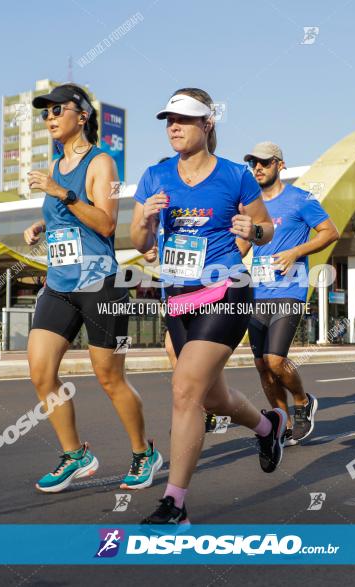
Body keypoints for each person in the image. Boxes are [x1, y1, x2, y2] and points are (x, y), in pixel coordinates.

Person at [130, 87, 285, 525]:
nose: (173, 127)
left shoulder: (236, 175)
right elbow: (139, 244)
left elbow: (266, 228)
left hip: (226, 291)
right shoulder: (155, 176)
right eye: (168, 120)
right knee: (212, 397)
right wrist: (146, 219)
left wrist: (251, 231)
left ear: (207, 123)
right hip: (177, 298)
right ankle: (267, 427)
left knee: (184, 391)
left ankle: (174, 503)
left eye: (183, 119)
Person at [23, 83, 162, 494]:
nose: (49, 117)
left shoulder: (103, 163)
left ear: (81, 116)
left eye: (56, 110)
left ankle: (143, 452)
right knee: (40, 371)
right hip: (60, 283)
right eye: (44, 112)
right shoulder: (54, 164)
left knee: (109, 377)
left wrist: (59, 192)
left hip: (101, 285)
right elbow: (64, 215)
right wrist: (42, 225)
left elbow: (105, 223)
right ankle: (75, 455)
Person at [239, 141, 339, 446]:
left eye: (265, 163)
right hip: (258, 291)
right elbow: (242, 245)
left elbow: (330, 232)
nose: (258, 168)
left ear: (280, 165)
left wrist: (296, 251)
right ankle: (281, 421)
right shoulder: (250, 206)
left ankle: (302, 401)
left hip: (290, 289)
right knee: (260, 365)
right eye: (253, 163)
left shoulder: (300, 199)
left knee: (274, 359)